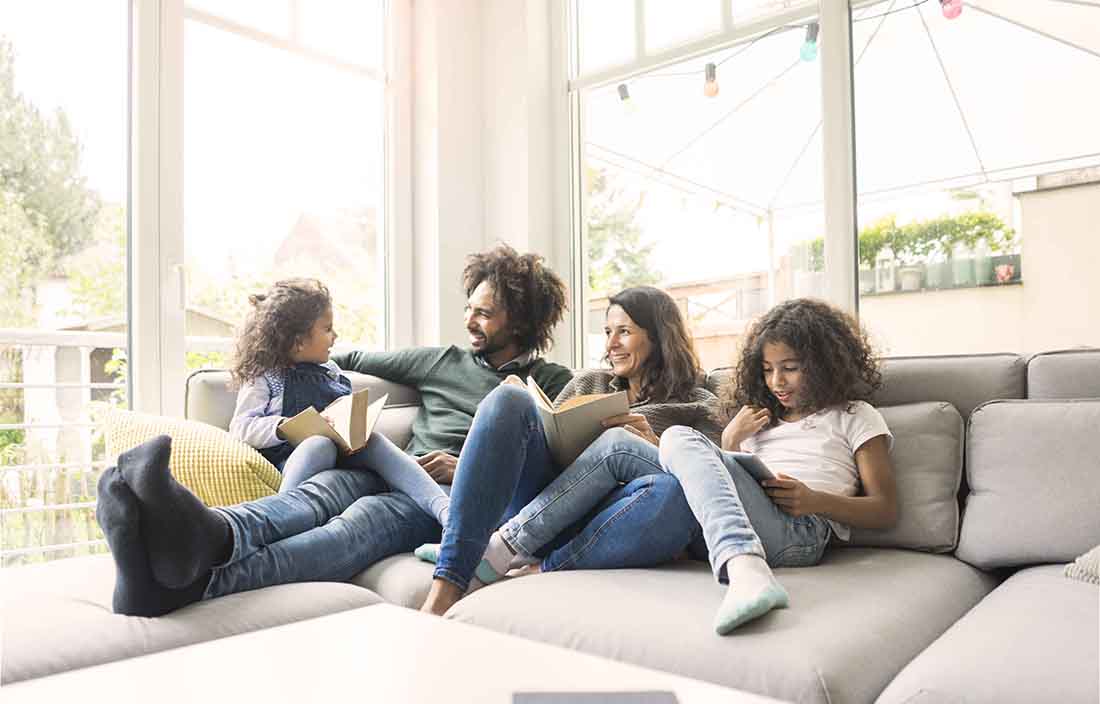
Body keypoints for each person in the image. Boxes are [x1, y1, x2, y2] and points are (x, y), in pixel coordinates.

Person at [95, 245, 572, 617]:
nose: (468, 320)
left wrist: (468, 464)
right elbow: (348, 359)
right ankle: (209, 533)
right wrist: (279, 351)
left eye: (484, 313)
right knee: (310, 499)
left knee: (349, 530)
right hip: (389, 470)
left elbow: (553, 468)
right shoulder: (442, 360)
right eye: (469, 307)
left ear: (523, 323)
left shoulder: (552, 383)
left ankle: (197, 580)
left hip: (442, 501)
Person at [417, 285, 724, 615]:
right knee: (508, 399)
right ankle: (448, 584)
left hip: (616, 522)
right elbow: (552, 430)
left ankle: (539, 561)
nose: (611, 345)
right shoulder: (589, 383)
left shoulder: (700, 404)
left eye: (624, 332)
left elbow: (712, 484)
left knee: (671, 493)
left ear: (659, 337)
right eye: (608, 332)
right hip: (548, 499)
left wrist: (653, 443)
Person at [227, 279, 448, 536]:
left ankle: (444, 508)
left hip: (342, 454)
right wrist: (283, 426)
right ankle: (281, 524)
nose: (335, 336)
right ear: (298, 341)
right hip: (291, 459)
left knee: (373, 441)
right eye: (328, 329)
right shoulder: (265, 376)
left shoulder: (331, 371)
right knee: (317, 444)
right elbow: (240, 427)